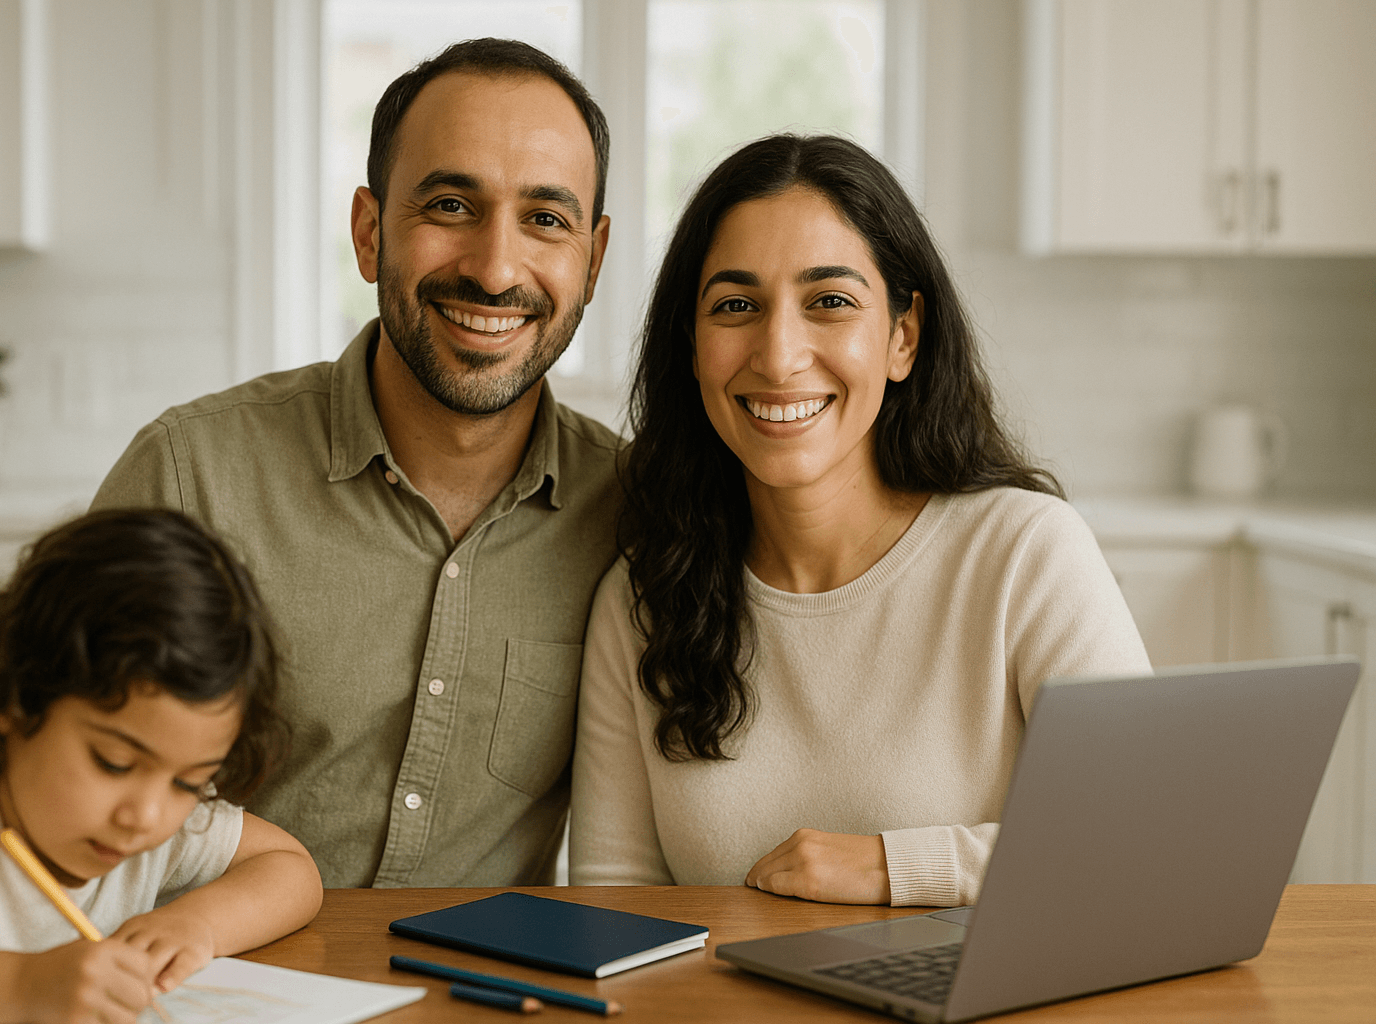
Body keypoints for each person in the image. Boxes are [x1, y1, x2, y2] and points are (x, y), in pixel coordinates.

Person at [90, 39, 621, 888]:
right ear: (370, 234)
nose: (494, 268)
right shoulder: (191, 478)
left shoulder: (634, 510)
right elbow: (49, 792)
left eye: (546, 219)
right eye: (450, 205)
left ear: (592, 262)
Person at [569, 134, 1150, 907]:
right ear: (693, 344)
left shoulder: (1025, 553)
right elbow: (616, 904)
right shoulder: (639, 601)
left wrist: (887, 868)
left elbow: (1143, 841)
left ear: (903, 336)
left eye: (830, 302)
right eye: (735, 306)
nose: (778, 356)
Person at [0, 508, 323, 1024]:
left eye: (190, 781)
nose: (147, 816)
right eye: (114, 763)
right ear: (14, 699)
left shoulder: (158, 825)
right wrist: (21, 986)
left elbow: (292, 870)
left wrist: (196, 924)